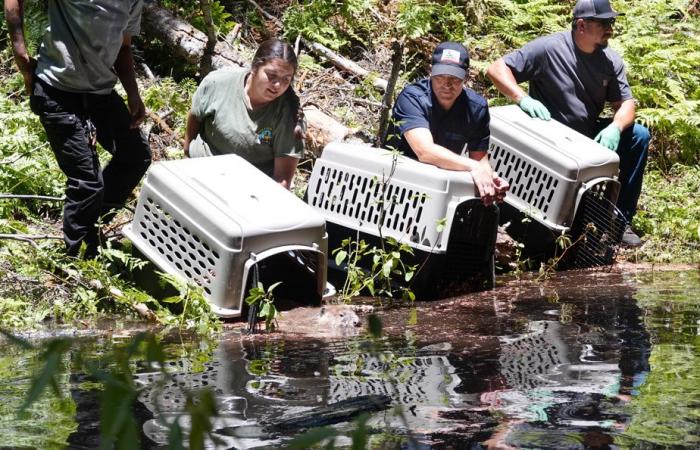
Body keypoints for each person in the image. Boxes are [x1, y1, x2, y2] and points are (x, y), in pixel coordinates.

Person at [486, 0, 650, 247]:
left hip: (585, 138)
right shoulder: (548, 48)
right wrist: (522, 99)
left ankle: (618, 222)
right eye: (604, 23)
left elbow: (626, 105)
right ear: (581, 25)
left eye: (612, 22)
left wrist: (615, 127)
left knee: (638, 135)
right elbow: (496, 69)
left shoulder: (610, 61)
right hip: (547, 134)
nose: (610, 29)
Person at [5, 0, 152, 258]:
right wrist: (20, 50)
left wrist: (133, 92)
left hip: (100, 93)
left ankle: (92, 225)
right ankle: (75, 259)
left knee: (135, 154)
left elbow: (124, 46)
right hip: (56, 90)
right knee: (87, 182)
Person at [385, 42, 509, 206]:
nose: (447, 84)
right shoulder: (413, 98)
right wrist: (475, 168)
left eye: (454, 78)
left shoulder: (476, 108)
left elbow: (480, 161)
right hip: (396, 177)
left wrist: (489, 179)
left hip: (440, 185)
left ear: (466, 77)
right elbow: (425, 151)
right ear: (430, 73)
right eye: (440, 76)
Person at [184, 39, 305, 190]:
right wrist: (186, 156)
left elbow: (282, 180)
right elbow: (195, 116)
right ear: (254, 68)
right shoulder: (218, 83)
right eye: (271, 75)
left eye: (286, 79)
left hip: (245, 190)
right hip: (198, 171)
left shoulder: (289, 114)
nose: (277, 85)